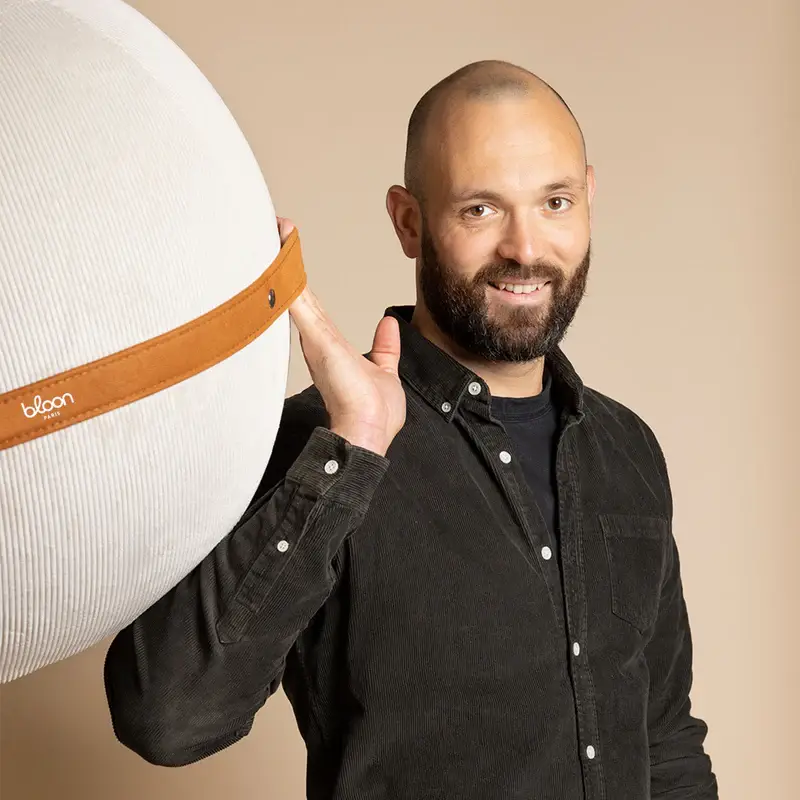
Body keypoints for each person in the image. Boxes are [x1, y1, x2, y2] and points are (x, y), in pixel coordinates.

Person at [104, 60, 718, 799]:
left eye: (555, 202)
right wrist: (352, 451)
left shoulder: (627, 451)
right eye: (480, 210)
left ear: (589, 197)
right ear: (408, 221)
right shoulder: (322, 446)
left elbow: (664, 741)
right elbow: (166, 720)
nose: (526, 248)